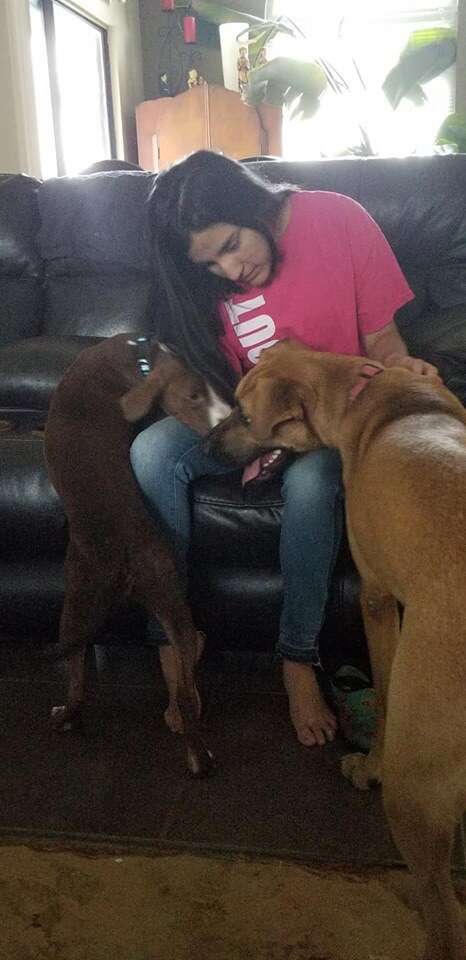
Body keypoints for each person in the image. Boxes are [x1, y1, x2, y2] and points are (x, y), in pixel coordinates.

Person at [130, 149, 438, 747]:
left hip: (325, 427)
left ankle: (297, 658)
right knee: (151, 453)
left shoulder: (340, 220)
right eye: (211, 261)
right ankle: (172, 634)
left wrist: (408, 372)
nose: (228, 269)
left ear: (251, 205)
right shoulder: (204, 280)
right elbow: (205, 377)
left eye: (231, 244)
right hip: (240, 413)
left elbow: (384, 343)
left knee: (314, 482)